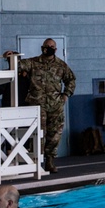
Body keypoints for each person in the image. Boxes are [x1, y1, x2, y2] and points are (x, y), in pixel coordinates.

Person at [9, 39, 76, 173]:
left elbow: (71, 79)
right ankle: (36, 162)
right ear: (42, 48)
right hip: (37, 105)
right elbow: (18, 65)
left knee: (55, 134)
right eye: (47, 46)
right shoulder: (33, 63)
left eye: (52, 47)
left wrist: (66, 94)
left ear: (55, 49)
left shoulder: (61, 65)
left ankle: (50, 161)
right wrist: (11, 57)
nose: (49, 48)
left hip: (55, 105)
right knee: (39, 134)